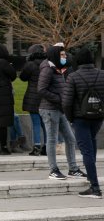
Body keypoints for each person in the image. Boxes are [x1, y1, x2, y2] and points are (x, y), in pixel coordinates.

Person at [38, 45, 85, 180]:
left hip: (59, 109)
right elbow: (41, 89)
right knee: (52, 140)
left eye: (65, 55)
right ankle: (53, 169)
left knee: (70, 138)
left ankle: (73, 168)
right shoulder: (48, 69)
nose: (65, 57)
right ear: (55, 56)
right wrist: (59, 99)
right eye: (62, 55)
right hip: (49, 109)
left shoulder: (57, 68)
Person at [62, 48, 104, 198]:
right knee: (91, 145)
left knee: (86, 150)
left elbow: (66, 102)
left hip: (80, 118)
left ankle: (95, 188)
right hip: (98, 117)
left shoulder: (73, 77)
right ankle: (91, 177)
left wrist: (71, 118)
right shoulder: (102, 74)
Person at [19, 44, 48, 156]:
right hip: (45, 97)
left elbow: (22, 77)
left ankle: (36, 146)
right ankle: (46, 146)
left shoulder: (30, 65)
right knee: (45, 123)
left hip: (32, 97)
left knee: (35, 123)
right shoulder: (47, 64)